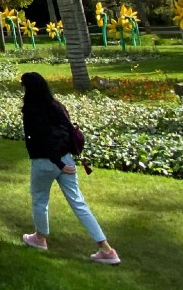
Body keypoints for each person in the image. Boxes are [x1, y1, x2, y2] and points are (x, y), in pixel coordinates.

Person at [20, 72, 120, 264]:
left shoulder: (31, 110)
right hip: (66, 159)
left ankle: (40, 238)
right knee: (78, 202)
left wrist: (58, 163)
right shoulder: (57, 106)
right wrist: (64, 162)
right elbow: (68, 131)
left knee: (40, 199)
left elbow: (42, 138)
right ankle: (106, 249)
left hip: (46, 161)